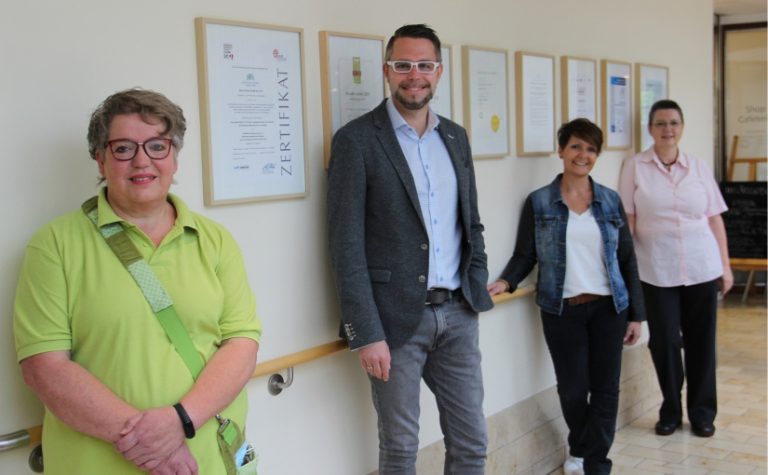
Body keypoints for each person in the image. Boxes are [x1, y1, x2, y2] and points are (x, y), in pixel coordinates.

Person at [13, 89, 262, 475]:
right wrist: (156, 447)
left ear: (175, 157)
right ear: (100, 157)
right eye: (124, 148)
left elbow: (241, 342)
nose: (143, 160)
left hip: (205, 459)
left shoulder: (215, 240)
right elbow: (44, 368)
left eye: (157, 146)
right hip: (98, 464)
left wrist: (181, 420)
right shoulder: (54, 245)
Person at [327, 24, 494, 475]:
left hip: (458, 314)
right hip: (394, 322)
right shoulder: (356, 140)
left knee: (472, 441)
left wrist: (476, 281)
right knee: (400, 448)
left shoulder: (455, 137)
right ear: (387, 71)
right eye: (403, 65)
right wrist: (366, 331)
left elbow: (471, 221)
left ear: (439, 72)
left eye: (424, 65)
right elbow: (346, 244)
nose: (413, 75)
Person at [488, 119, 645, 475]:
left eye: (590, 149)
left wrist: (637, 314)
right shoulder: (540, 202)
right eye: (576, 146)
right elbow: (525, 254)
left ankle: (596, 462)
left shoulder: (609, 201)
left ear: (597, 155)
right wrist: (506, 281)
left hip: (609, 308)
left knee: (605, 389)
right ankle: (580, 446)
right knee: (574, 389)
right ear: (561, 151)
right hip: (561, 310)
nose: (582, 155)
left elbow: (627, 258)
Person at [618, 99, 732, 438]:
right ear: (650, 129)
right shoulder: (635, 167)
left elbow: (714, 219)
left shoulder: (697, 166)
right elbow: (629, 221)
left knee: (702, 342)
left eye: (673, 123)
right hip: (656, 270)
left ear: (681, 127)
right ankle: (670, 407)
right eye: (660, 123)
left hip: (701, 267)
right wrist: (625, 272)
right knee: (664, 341)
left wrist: (725, 268)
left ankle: (702, 412)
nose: (668, 129)